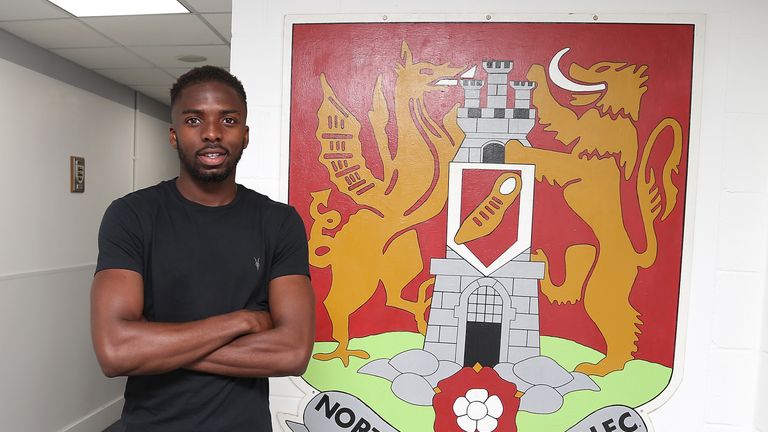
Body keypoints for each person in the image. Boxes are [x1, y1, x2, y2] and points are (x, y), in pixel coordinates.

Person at [90, 65, 315, 432]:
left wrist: (158, 346)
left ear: (245, 135)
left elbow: (292, 352)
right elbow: (116, 352)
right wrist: (243, 321)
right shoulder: (131, 216)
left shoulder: (279, 222)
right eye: (194, 120)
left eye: (227, 120)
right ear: (174, 135)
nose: (212, 133)